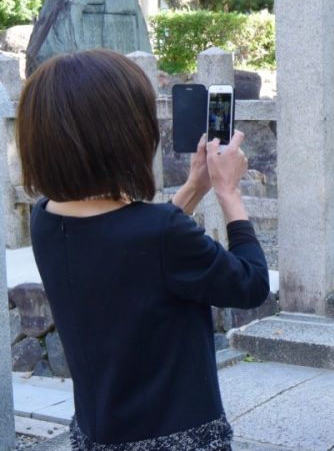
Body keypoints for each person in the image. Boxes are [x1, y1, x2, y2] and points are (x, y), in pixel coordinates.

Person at [17, 49, 270, 450]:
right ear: (123, 136)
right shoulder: (160, 233)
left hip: (95, 432)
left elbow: (129, 244)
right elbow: (251, 285)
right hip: (175, 435)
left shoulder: (45, 217)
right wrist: (229, 193)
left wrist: (193, 188)